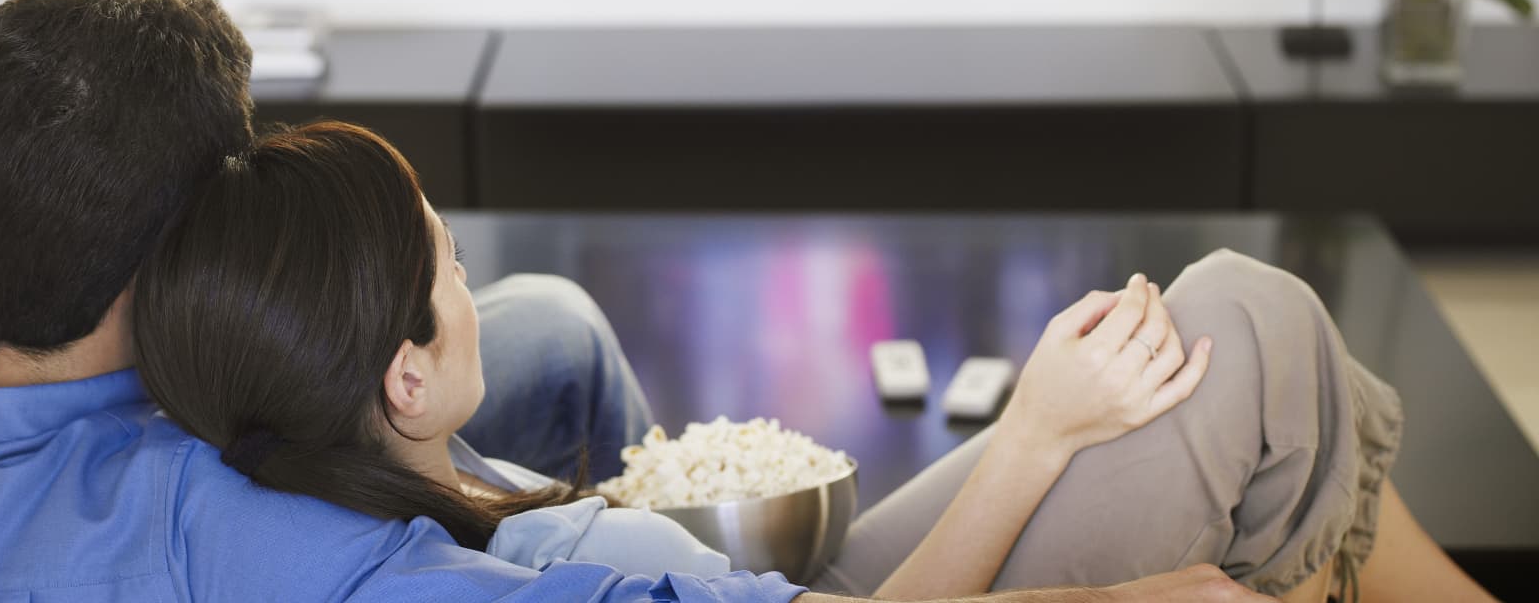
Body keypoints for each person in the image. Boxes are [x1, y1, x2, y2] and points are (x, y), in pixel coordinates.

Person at [0, 0, 1255, 602]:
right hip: (537, 557)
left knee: (545, 327)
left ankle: (643, 497)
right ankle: (674, 543)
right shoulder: (226, 519)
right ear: (184, 263)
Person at [132, 119, 1500, 603]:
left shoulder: (314, 472)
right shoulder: (562, 567)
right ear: (404, 378)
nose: (468, 276)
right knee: (1248, 326)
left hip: (788, 584)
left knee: (1248, 322)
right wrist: (1041, 429)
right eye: (447, 263)